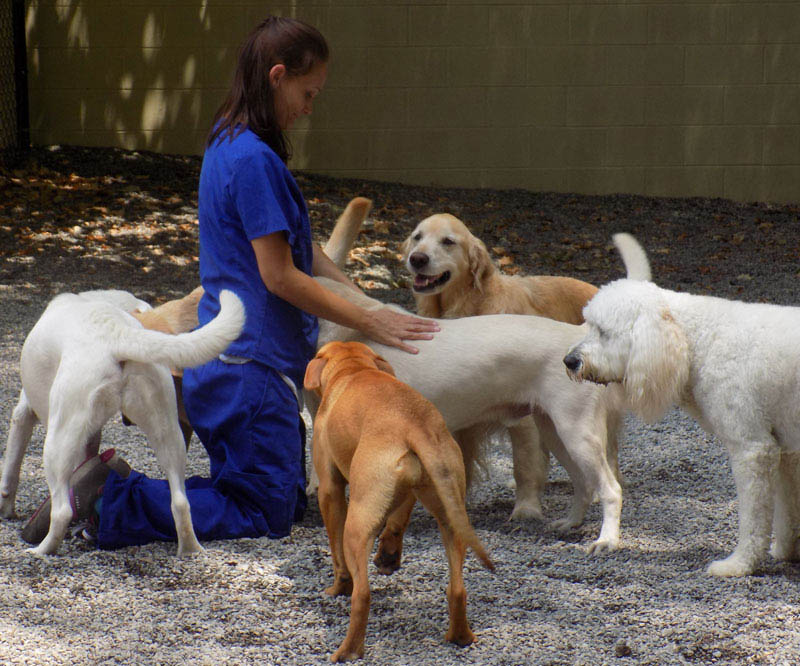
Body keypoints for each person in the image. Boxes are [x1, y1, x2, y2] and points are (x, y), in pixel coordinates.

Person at [22, 16, 438, 549]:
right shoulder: (254, 161)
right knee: (262, 512)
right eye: (308, 92)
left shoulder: (228, 140)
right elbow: (280, 275)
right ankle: (107, 499)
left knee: (279, 498)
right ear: (278, 76)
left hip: (229, 370)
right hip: (251, 374)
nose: (311, 106)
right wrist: (368, 319)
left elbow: (299, 250)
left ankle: (123, 489)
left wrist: (355, 295)